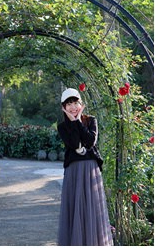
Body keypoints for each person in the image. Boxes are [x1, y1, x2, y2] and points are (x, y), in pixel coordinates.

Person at [57, 88, 112, 246]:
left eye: (76, 103)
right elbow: (74, 143)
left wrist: (78, 121)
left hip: (90, 169)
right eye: (69, 104)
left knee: (91, 206)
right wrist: (72, 122)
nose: (73, 107)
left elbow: (90, 141)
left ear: (81, 104)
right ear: (64, 107)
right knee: (75, 207)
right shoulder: (62, 127)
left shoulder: (91, 120)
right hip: (73, 170)